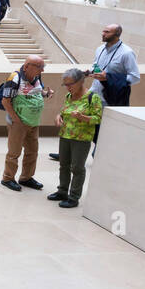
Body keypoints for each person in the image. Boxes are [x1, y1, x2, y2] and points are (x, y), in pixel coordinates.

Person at [48, 67, 102, 208]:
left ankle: (74, 197)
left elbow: (98, 118)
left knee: (77, 168)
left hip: (81, 138)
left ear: (81, 81)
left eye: (70, 84)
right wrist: (58, 116)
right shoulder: (69, 96)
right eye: (65, 84)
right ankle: (62, 191)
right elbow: (64, 111)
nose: (67, 87)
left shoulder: (92, 97)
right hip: (65, 135)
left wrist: (83, 117)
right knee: (63, 165)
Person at [0, 54, 53, 192]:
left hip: (33, 122)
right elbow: (6, 101)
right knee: (14, 152)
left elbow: (36, 92)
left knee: (32, 151)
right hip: (19, 123)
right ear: (27, 66)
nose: (43, 70)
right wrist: (16, 119)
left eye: (43, 67)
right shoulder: (14, 78)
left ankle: (26, 177)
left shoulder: (36, 77)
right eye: (40, 67)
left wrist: (46, 93)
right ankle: (8, 178)